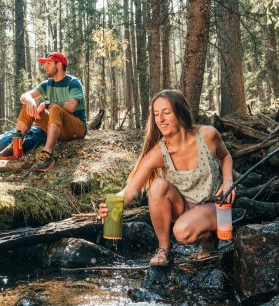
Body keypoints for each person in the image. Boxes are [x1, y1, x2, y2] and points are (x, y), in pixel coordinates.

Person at [97, 89, 236, 266]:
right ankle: (163, 248)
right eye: (156, 114)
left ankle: (209, 238)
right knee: (157, 186)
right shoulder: (157, 153)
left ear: (180, 112)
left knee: (182, 231)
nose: (160, 120)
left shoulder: (208, 135)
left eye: (166, 113)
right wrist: (111, 206)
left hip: (215, 204)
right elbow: (131, 189)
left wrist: (228, 181)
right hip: (183, 208)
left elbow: (226, 156)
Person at [0, 52, 88, 172]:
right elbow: (24, 96)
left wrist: (47, 104)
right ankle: (15, 146)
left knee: (54, 108)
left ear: (58, 65)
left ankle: (48, 153)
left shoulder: (73, 82)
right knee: (28, 107)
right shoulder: (48, 84)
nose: (45, 66)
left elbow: (71, 106)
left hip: (77, 128)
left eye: (48, 63)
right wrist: (30, 100)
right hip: (59, 129)